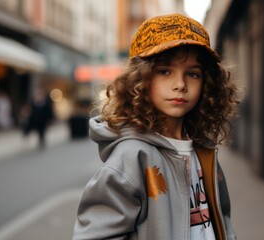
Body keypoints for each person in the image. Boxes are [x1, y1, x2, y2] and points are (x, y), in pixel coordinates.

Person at [73, 13, 238, 240]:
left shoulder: (204, 150)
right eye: (164, 71)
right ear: (140, 79)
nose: (180, 85)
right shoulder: (131, 158)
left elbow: (222, 221)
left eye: (192, 73)